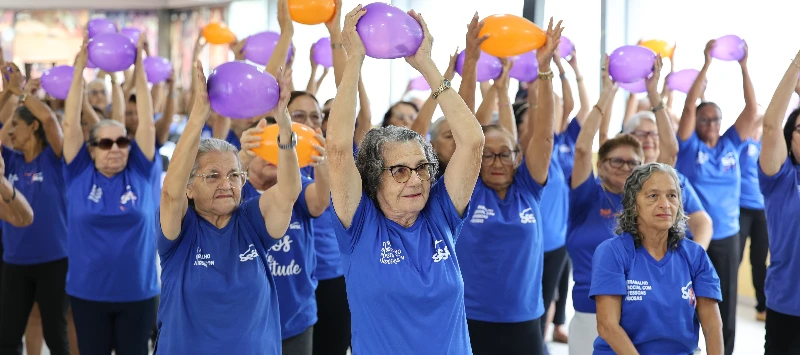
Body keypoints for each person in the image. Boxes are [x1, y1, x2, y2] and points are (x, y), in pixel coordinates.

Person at [327, 6, 484, 354]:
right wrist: (354, 59)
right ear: (372, 178)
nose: (415, 180)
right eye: (399, 171)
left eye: (422, 167)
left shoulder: (440, 213)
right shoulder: (359, 224)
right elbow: (338, 148)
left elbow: (472, 141)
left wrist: (426, 63)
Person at [155, 60, 300, 354]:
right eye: (213, 175)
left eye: (234, 175)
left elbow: (288, 191)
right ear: (190, 187)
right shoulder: (181, 230)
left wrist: (284, 126)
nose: (226, 184)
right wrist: (198, 118)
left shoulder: (251, 219)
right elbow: (170, 194)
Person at [455, 17, 561, 355]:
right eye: (488, 155)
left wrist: (543, 71)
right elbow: (463, 127)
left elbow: (543, 135)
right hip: (473, 319)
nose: (497, 162)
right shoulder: (468, 189)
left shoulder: (528, 188)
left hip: (525, 319)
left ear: (517, 157)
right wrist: (470, 63)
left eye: (505, 154)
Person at [62, 34, 159, 355]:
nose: (115, 148)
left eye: (122, 141)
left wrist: (140, 66)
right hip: (88, 293)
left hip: (138, 293)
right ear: (91, 150)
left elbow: (146, 119)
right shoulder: (78, 172)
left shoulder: (141, 171)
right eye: (105, 143)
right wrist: (78, 70)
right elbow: (71, 122)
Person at [675, 39, 758, 355]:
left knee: (725, 299)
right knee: (690, 296)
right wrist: (707, 62)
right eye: (704, 118)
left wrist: (744, 65)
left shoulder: (730, 144)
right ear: (696, 122)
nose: (710, 123)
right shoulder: (689, 148)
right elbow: (687, 105)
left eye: (715, 118)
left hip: (728, 237)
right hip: (694, 238)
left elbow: (752, 109)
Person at [590, 163, 724, 355]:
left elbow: (712, 326)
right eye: (653, 196)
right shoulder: (612, 252)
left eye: (672, 195)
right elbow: (607, 326)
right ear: (633, 205)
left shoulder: (695, 255)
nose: (665, 204)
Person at [238, 105, 330, 353]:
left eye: (279, 148)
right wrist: (241, 157)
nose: (273, 155)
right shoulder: (234, 192)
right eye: (265, 147)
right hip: (245, 321)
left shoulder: (297, 187)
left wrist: (320, 161)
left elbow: (320, 202)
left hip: (295, 318)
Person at [567, 57, 641, 355]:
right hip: (589, 312)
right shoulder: (587, 195)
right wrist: (609, 90)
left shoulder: (645, 203)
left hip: (637, 312)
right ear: (601, 164)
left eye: (632, 162)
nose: (624, 167)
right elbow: (583, 147)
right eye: (616, 161)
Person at [0, 64, 69, 355]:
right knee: (6, 339)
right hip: (14, 262)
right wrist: (9, 93)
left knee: (56, 336)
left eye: (16, 125)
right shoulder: (9, 160)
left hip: (55, 261)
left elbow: (51, 119)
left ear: (33, 126)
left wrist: (26, 96)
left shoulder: (56, 158)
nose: (10, 131)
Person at [619, 55, 713, 249]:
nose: (649, 139)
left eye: (654, 134)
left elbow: (702, 221)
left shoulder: (673, 178)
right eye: (641, 134)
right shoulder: (618, 174)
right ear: (628, 137)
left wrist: (695, 257)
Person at [754, 51, 800, 354]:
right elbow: (770, 124)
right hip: (789, 305)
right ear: (790, 138)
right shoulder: (781, 178)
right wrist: (797, 63)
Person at [737, 114, 768, 322]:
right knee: (734, 258)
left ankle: (762, 307)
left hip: (762, 211)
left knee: (759, 261)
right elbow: (752, 125)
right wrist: (759, 116)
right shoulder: (743, 144)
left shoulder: (767, 146)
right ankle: (721, 303)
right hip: (740, 208)